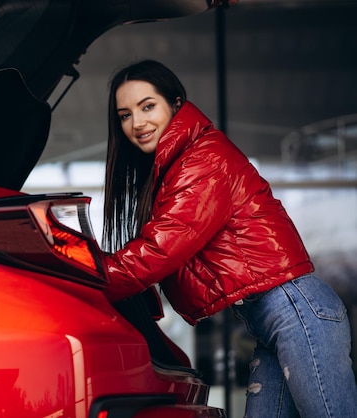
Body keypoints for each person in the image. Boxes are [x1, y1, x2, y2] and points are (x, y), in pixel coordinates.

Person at [101, 59, 357, 418]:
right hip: (271, 320)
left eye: (147, 106)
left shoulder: (203, 159)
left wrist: (84, 276)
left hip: (297, 311)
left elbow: (160, 249)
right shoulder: (175, 167)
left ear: (175, 104)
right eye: (125, 115)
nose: (137, 123)